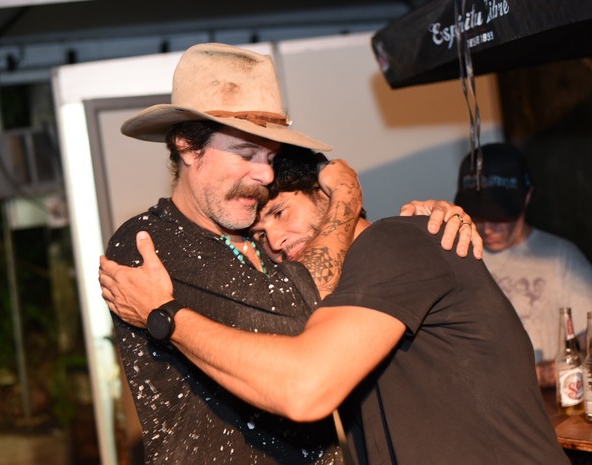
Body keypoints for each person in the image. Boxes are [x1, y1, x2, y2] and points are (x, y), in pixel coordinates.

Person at [103, 42, 480, 465]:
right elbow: (303, 317)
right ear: (188, 146)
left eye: (269, 156)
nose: (264, 174)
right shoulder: (149, 243)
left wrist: (422, 222)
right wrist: (346, 196)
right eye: (245, 154)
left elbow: (353, 281)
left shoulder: (260, 240)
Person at [100, 147, 569, 465]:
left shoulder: (399, 243)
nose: (277, 241)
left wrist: (166, 315)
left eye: (282, 214)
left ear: (327, 196)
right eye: (261, 236)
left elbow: (304, 387)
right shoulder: (336, 298)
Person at [454, 142, 592, 386]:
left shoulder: (560, 258)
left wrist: (539, 375)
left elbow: (588, 345)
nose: (487, 227)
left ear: (527, 196)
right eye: (477, 214)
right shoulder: (454, 257)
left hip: (546, 406)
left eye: (499, 216)